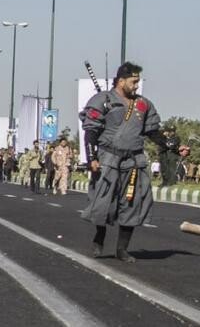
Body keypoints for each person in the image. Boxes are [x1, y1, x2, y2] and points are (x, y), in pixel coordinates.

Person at [80, 62, 162, 262]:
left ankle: (122, 249)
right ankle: (100, 234)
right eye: (134, 82)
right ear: (121, 81)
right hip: (108, 158)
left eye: (138, 82)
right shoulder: (102, 100)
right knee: (102, 201)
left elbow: (152, 131)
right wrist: (91, 158)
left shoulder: (144, 104)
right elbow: (91, 131)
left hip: (134, 160)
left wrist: (173, 146)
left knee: (133, 201)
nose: (136, 86)